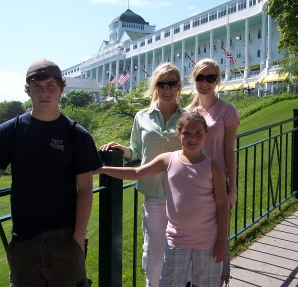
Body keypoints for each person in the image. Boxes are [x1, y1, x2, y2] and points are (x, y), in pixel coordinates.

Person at [0, 59, 102, 287]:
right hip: (23, 241)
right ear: (27, 89)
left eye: (50, 86)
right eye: (37, 85)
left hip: (65, 239)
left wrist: (77, 239)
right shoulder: (10, 131)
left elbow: (85, 189)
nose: (43, 92)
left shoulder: (77, 135)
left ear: (61, 89)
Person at [96, 112, 229, 287]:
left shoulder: (212, 166)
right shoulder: (168, 160)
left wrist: (221, 241)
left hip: (208, 241)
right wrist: (103, 170)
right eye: (187, 133)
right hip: (177, 240)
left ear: (205, 135)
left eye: (198, 133)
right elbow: (137, 173)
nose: (192, 138)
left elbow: (222, 204)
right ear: (178, 133)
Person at [100, 62, 184, 287]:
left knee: (180, 253)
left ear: (179, 86)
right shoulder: (142, 117)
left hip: (183, 196)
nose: (167, 89)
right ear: (155, 86)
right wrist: (123, 150)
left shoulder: (187, 118)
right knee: (155, 254)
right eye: (162, 83)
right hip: (154, 196)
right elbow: (137, 151)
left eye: (172, 83)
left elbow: (197, 154)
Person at [186, 58, 239, 287]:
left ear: (217, 80)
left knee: (217, 243)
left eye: (210, 78)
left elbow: (229, 152)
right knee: (194, 243)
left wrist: (233, 189)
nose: (205, 83)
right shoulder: (189, 111)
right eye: (200, 78)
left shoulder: (227, 111)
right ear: (194, 80)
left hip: (218, 186)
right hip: (193, 185)